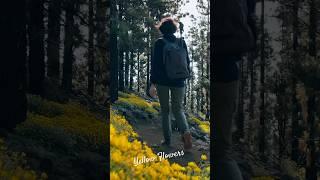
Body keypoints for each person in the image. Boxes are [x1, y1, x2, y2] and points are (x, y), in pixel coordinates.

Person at [213, 0, 257, 179]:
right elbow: (250, 17)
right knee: (221, 152)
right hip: (228, 65)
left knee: (219, 154)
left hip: (220, 62)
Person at [149, 17, 192, 150]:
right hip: (179, 81)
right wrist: (184, 77)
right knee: (178, 109)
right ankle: (186, 132)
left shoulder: (160, 43)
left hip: (163, 81)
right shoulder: (181, 42)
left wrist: (152, 83)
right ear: (174, 29)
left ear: (162, 29)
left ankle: (167, 141)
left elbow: (155, 65)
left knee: (165, 111)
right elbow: (187, 62)